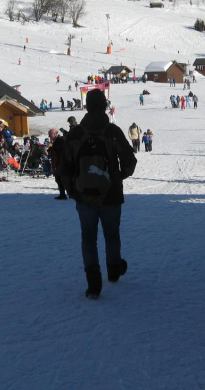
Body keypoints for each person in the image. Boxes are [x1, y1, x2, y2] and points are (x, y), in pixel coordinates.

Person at [60, 89, 137, 299]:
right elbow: (129, 161)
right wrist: (117, 177)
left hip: (83, 196)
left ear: (86, 107)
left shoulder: (75, 134)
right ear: (104, 106)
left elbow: (64, 167)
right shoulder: (113, 131)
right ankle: (113, 270)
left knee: (88, 239)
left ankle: (93, 283)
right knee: (111, 235)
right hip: (111, 195)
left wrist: (72, 189)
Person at [48, 128, 68, 199]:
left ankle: (64, 194)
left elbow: (61, 151)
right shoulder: (57, 141)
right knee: (59, 179)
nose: (49, 136)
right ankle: (62, 194)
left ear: (54, 134)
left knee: (62, 179)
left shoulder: (60, 140)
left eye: (50, 135)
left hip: (61, 163)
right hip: (58, 163)